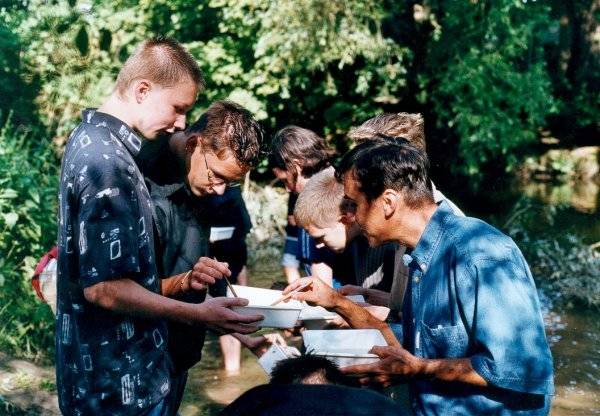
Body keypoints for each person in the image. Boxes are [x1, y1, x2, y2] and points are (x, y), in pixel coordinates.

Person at [56, 39, 261, 416]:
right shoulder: (106, 161)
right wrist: (199, 313)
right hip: (115, 383)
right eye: (178, 108)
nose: (181, 122)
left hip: (142, 371)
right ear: (142, 90)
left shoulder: (109, 148)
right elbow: (103, 288)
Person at [284, 139, 554, 414]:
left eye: (353, 205)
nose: (350, 217)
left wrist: (419, 369)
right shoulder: (417, 257)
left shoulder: (481, 253)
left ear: (388, 202)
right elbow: (408, 346)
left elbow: (520, 370)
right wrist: (336, 302)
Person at [139, 100, 265, 414]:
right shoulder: (140, 185)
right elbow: (123, 291)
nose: (222, 191)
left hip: (178, 357)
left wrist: (236, 328)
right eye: (219, 177)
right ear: (195, 144)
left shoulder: (201, 181)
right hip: (141, 363)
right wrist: (187, 281)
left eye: (231, 183)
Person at [269, 126, 338, 285]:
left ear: (297, 165)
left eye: (285, 180)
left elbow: (322, 268)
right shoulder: (304, 193)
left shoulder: (330, 192)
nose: (287, 188)